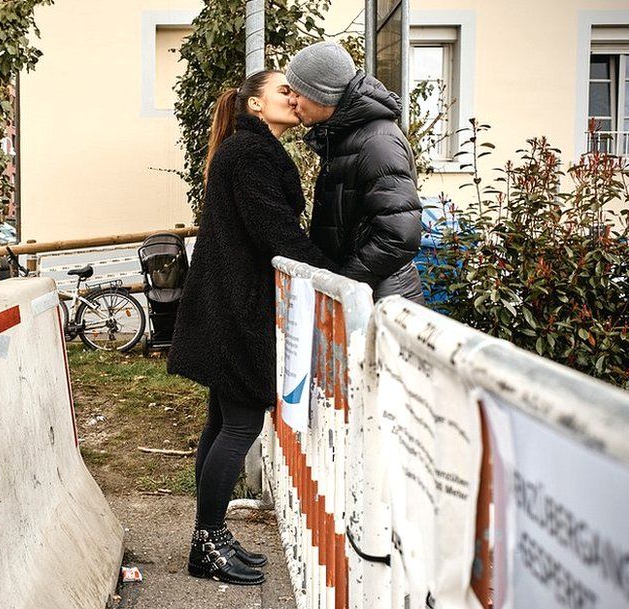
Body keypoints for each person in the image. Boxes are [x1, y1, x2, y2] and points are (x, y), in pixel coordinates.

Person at [167, 69, 337, 586]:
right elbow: (275, 231)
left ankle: (210, 537)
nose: (295, 95)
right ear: (256, 105)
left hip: (225, 302)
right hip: (237, 308)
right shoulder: (251, 153)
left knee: (222, 424)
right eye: (284, 90)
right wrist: (331, 273)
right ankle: (208, 544)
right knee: (238, 426)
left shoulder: (244, 149)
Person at [286, 41, 425, 303]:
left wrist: (342, 284)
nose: (291, 101)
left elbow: (400, 236)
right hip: (365, 297)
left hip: (380, 301)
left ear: (322, 94)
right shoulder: (345, 137)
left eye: (297, 92)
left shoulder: (377, 142)